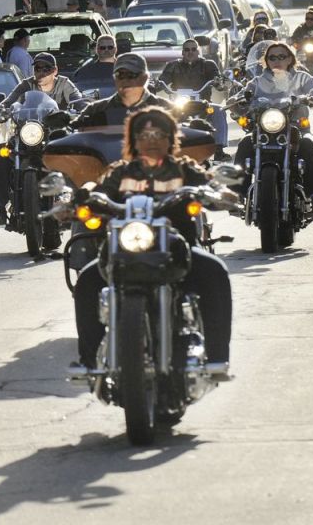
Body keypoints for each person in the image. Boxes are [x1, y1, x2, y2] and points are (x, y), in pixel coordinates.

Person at [71, 106, 232, 376]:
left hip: (178, 249)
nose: (152, 140)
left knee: (215, 271)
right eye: (144, 135)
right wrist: (83, 194)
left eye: (159, 134)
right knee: (87, 280)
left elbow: (212, 186)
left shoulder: (184, 169)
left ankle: (217, 359)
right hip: (123, 250)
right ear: (133, 141)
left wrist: (221, 193)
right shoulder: (120, 172)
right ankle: (89, 362)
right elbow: (97, 189)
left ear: (171, 139)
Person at [233, 41, 313, 215]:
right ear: (266, 61)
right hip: (264, 130)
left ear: (290, 59)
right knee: (245, 144)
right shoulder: (257, 81)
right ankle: (237, 194)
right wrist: (236, 101)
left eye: (281, 56)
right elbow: (241, 96)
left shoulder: (302, 78)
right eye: (272, 57)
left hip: (296, 128)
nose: (277, 60)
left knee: (309, 145)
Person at [0, 53, 82, 224]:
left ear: (55, 71)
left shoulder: (64, 84)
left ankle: (73, 198)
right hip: (27, 134)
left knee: (75, 152)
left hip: (54, 135)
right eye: (38, 68)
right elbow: (10, 102)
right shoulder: (26, 84)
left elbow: (78, 101)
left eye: (47, 69)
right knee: (1, 151)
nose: (42, 72)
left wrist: (80, 110)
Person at [160, 39, 229, 160]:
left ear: (199, 51)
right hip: (178, 106)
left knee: (219, 110)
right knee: (160, 114)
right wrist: (157, 84)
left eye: (193, 49)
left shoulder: (208, 64)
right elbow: (162, 81)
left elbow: (218, 80)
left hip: (203, 106)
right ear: (182, 52)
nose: (190, 52)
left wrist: (218, 82)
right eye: (187, 50)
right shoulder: (173, 66)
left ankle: (219, 149)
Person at [72, 53, 174, 130]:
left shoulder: (166, 108)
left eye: (131, 75)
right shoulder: (96, 110)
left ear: (144, 78)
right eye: (120, 75)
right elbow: (73, 130)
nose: (125, 80)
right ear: (114, 78)